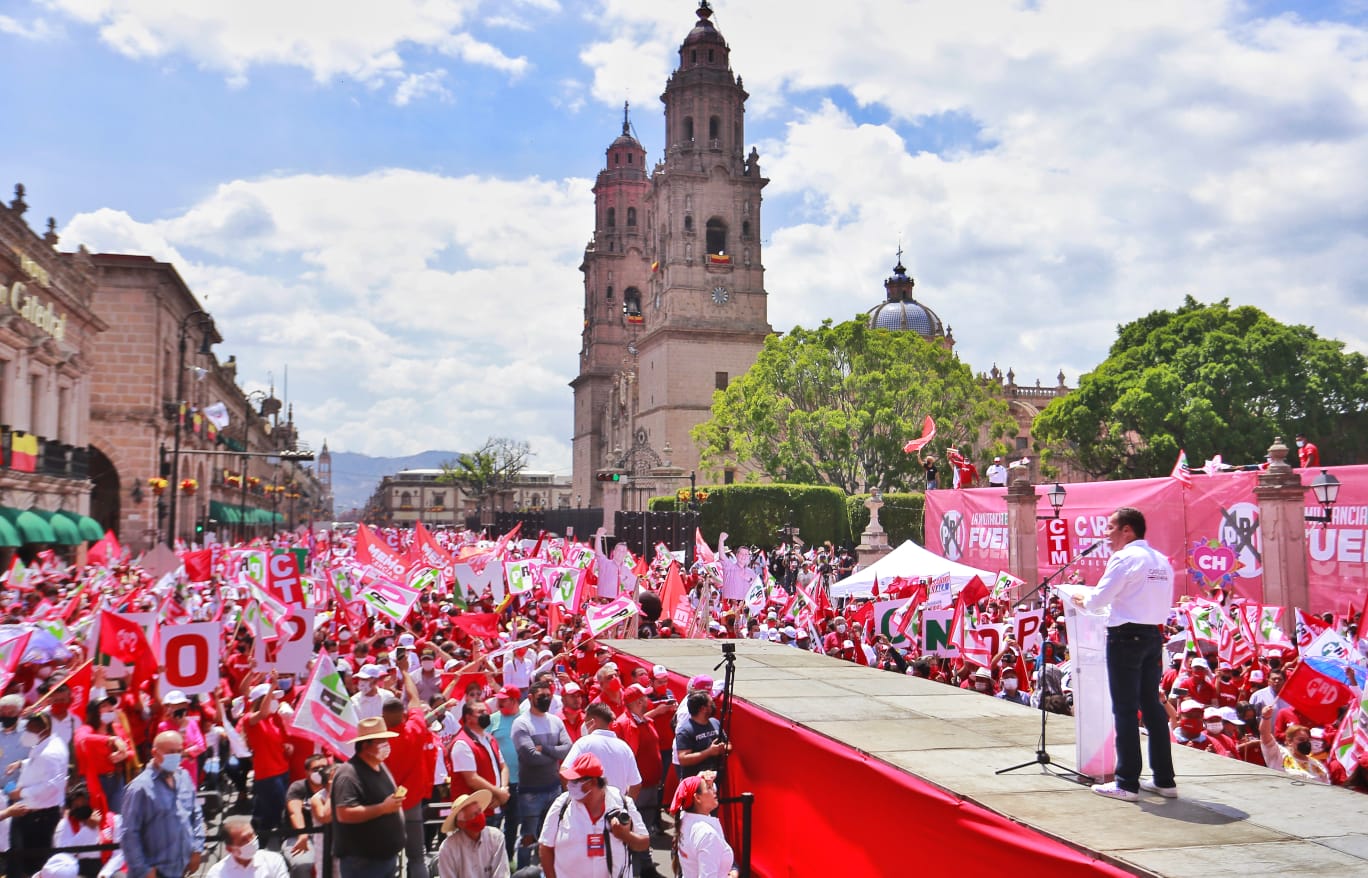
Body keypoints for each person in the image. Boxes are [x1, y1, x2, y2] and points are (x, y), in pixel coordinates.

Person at [1069, 506, 1177, 802]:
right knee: (1152, 707)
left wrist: (1082, 599)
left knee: (1125, 709)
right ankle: (1165, 780)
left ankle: (1127, 782)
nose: (1106, 534)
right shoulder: (1162, 561)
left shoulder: (1125, 557)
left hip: (1126, 637)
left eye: (1110, 528)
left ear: (1127, 530)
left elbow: (1100, 597)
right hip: (1153, 635)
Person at [537, 753, 649, 878]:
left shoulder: (622, 803)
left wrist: (625, 835)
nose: (570, 784)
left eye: (575, 781)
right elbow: (545, 847)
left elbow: (644, 843)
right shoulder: (562, 804)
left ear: (592, 782)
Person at [121, 731, 205, 878]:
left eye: (179, 751)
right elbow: (129, 834)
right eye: (170, 752)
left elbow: (195, 814)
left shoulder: (184, 777)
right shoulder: (140, 787)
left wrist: (197, 849)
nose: (176, 756)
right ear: (155, 753)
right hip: (155, 871)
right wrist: (144, 870)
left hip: (181, 868)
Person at [331, 716, 406, 878]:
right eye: (382, 741)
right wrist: (383, 808)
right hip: (363, 862)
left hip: (386, 858)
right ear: (366, 745)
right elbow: (344, 813)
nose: (387, 745)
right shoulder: (348, 774)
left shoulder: (380, 766)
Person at [510, 679, 572, 871]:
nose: (546, 699)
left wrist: (544, 748)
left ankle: (548, 871)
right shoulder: (521, 724)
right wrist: (554, 755)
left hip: (554, 788)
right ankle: (522, 871)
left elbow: (567, 748)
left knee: (552, 834)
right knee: (529, 835)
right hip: (531, 791)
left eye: (548, 695)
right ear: (530, 698)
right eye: (541, 696)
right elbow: (530, 757)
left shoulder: (555, 721)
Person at [4, 711, 69, 878]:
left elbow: (51, 786)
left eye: (30, 729)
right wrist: (21, 763)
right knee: (18, 861)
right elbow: (38, 765)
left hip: (39, 818)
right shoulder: (47, 744)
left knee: (32, 865)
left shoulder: (51, 753)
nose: (26, 733)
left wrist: (21, 793)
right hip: (29, 813)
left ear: (44, 729)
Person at [564, 703, 640, 798]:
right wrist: (626, 804)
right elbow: (636, 784)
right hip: (617, 809)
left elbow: (564, 770)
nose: (583, 725)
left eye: (585, 721)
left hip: (590, 808)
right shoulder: (624, 747)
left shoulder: (583, 743)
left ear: (592, 722)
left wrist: (574, 799)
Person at [669, 771, 736, 878]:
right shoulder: (707, 835)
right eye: (709, 788)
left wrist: (700, 778)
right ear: (698, 798)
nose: (714, 790)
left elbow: (686, 791)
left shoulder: (684, 818)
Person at [435, 790, 508, 878]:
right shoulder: (448, 848)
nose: (480, 816)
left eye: (480, 811)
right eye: (474, 814)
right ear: (461, 823)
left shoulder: (496, 837)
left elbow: (501, 874)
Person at [282, 753, 333, 878]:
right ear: (306, 772)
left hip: (328, 835)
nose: (320, 771)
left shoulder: (334, 787)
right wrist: (302, 834)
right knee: (303, 864)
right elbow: (295, 812)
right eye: (315, 769)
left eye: (324, 767)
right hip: (298, 837)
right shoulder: (298, 787)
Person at [1259, 707, 1329, 783]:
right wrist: (1266, 718)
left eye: (1307, 740)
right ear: (1289, 741)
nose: (1305, 743)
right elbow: (1265, 735)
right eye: (1301, 739)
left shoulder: (1317, 765)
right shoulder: (1279, 754)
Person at [205, 815, 289, 878]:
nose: (251, 841)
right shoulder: (216, 874)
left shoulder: (273, 860)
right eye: (244, 840)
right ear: (230, 849)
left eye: (252, 835)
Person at [676, 692, 728, 781]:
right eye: (711, 704)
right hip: (695, 782)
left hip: (715, 779)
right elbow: (683, 759)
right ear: (703, 709)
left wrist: (723, 748)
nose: (713, 706)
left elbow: (728, 744)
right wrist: (709, 752)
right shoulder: (685, 731)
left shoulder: (715, 722)